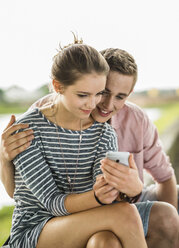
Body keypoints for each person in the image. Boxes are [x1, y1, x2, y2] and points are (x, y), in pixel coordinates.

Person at [1, 47, 179, 247]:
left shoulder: (105, 132)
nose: (97, 104)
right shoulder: (30, 126)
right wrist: (98, 197)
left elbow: (109, 190)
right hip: (39, 224)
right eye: (87, 94)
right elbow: (43, 200)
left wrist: (123, 189)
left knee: (107, 240)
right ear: (58, 87)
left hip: (91, 214)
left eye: (97, 94)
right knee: (124, 214)